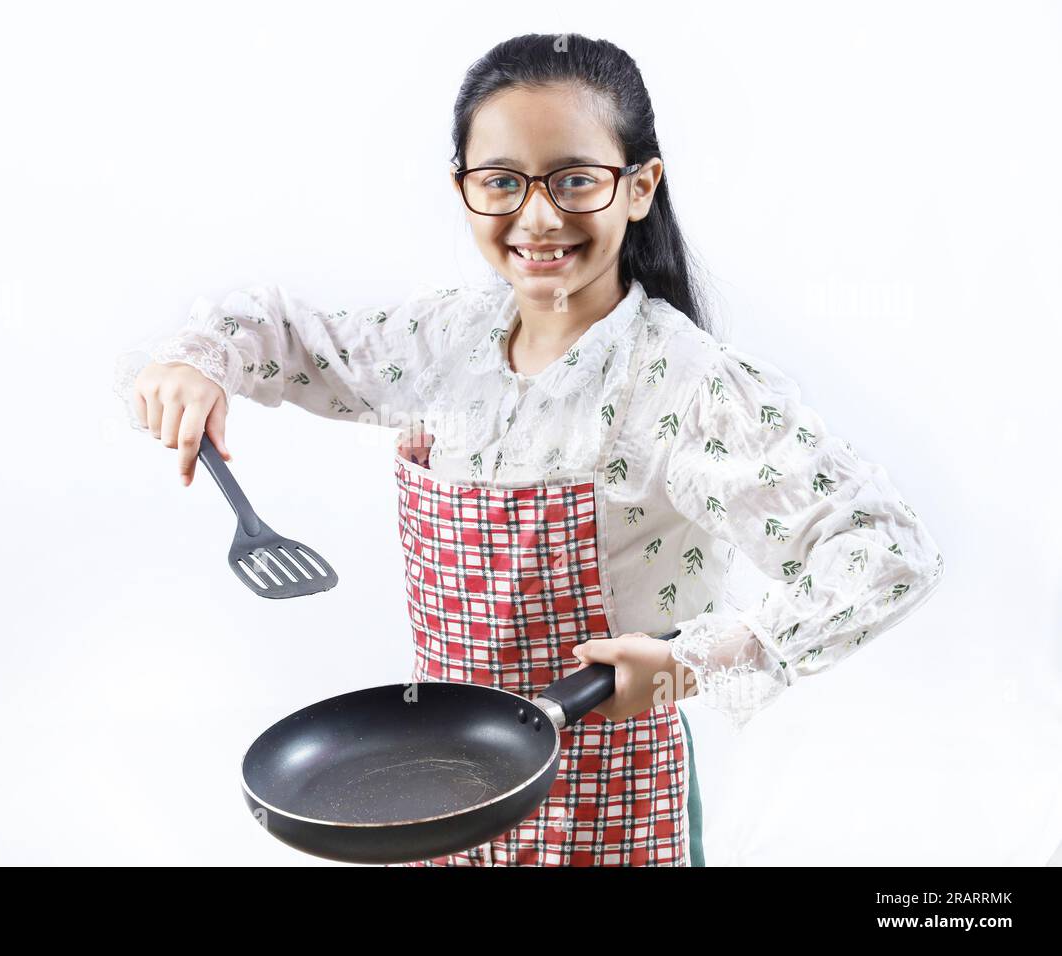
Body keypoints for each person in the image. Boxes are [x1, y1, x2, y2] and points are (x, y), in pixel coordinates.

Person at [113, 32, 944, 866]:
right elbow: (289, 337)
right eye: (502, 182)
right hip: (441, 785)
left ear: (640, 186)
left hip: (612, 794)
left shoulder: (687, 384)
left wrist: (698, 661)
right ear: (462, 189)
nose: (537, 217)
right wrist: (195, 360)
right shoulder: (444, 340)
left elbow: (884, 549)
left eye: (576, 179)